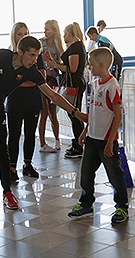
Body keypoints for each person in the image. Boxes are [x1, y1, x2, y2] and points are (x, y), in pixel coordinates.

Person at [0, 35, 85, 210]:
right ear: (20, 51)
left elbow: (52, 95)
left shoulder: (31, 71)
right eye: (31, 55)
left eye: (37, 56)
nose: (34, 60)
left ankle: (7, 193)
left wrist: (75, 112)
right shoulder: (0, 56)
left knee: (2, 148)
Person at [67, 47, 129, 224]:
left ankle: (121, 207)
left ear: (101, 65)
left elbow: (117, 116)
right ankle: (86, 204)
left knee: (114, 175)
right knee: (86, 173)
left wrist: (110, 142)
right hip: (92, 139)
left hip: (106, 141)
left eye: (91, 64)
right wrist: (85, 131)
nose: (89, 67)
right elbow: (93, 111)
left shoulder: (112, 86)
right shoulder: (94, 84)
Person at [6, 22, 44, 181]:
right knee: (14, 134)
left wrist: (25, 82)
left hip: (32, 100)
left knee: (30, 133)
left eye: (26, 33)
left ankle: (27, 164)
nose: (23, 36)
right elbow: (10, 80)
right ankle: (11, 166)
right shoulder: (10, 55)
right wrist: (26, 82)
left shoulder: (36, 55)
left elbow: (41, 78)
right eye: (20, 34)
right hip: (15, 100)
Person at [46, 22, 88, 159]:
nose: (63, 37)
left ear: (69, 34)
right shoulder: (78, 46)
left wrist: (55, 65)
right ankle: (78, 141)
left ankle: (79, 144)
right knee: (73, 112)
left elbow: (73, 69)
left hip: (74, 84)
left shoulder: (75, 47)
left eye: (64, 34)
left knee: (73, 112)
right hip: (75, 83)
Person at [39, 20, 65, 152]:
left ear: (54, 31)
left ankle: (57, 140)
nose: (45, 32)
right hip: (42, 80)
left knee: (53, 113)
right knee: (43, 112)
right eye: (44, 29)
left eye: (47, 29)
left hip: (54, 80)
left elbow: (62, 63)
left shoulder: (58, 46)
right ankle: (42, 142)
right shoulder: (40, 43)